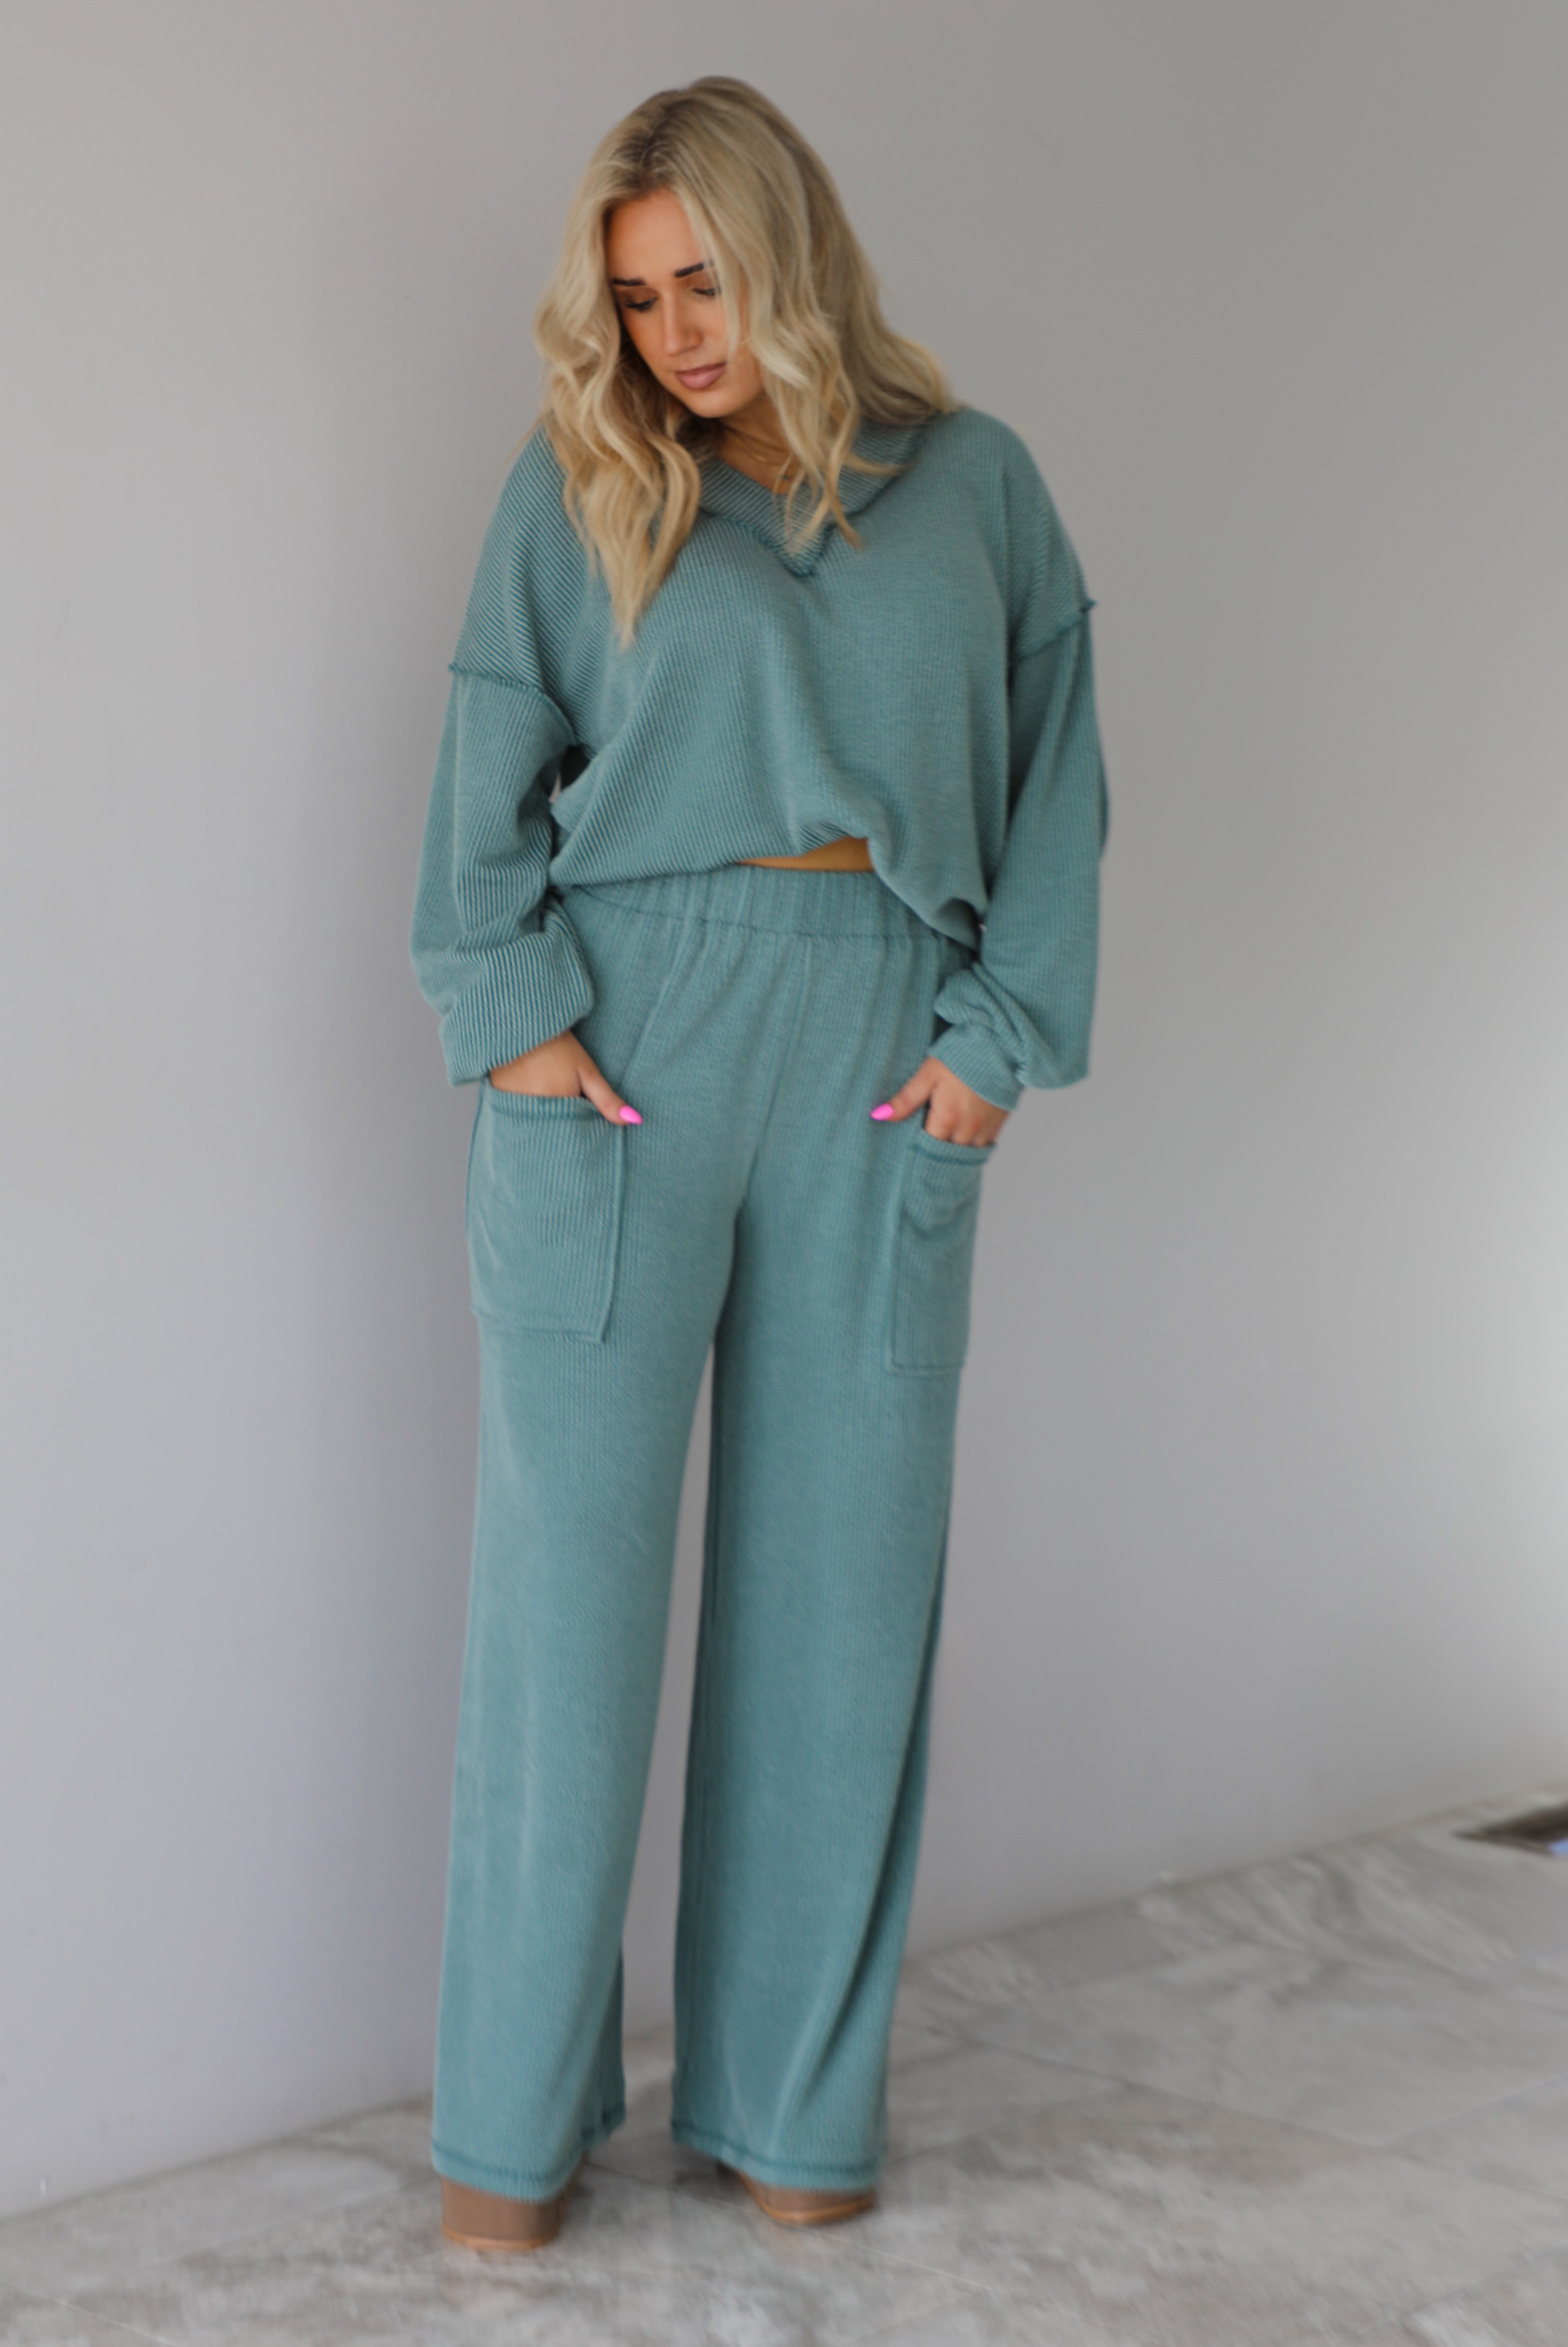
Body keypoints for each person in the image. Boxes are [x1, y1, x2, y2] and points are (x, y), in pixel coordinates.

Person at [410, 74, 1107, 2253]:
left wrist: (994, 1047)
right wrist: (524, 1033)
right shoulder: (582, 481)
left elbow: (1060, 784)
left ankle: (791, 2107)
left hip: (884, 1037)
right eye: (637, 300)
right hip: (624, 1038)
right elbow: (477, 794)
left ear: (789, 250)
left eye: (703, 281)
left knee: (840, 1602)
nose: (676, 335)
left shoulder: (977, 489)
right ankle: (509, 2135)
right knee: (568, 1611)